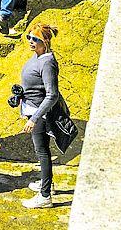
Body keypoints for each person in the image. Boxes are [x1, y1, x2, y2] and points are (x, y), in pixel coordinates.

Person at [17, 23, 74, 210]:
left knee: (42, 152)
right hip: (31, 108)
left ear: (46, 42)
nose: (31, 42)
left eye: (36, 39)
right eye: (29, 38)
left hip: (39, 114)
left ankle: (45, 195)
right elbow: (35, 86)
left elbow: (52, 95)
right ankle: (46, 182)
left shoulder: (47, 62)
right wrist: (18, 96)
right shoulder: (38, 56)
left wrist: (34, 119)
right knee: (41, 151)